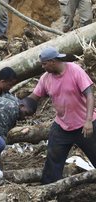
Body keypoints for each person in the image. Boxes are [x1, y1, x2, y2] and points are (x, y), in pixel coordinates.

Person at [28, 46, 96, 184]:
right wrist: (21, 104)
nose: (43, 67)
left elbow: (90, 95)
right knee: (53, 159)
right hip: (62, 126)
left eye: (44, 63)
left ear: (52, 61)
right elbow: (34, 96)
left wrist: (88, 121)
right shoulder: (45, 78)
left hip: (85, 125)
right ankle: (48, 190)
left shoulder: (75, 70)